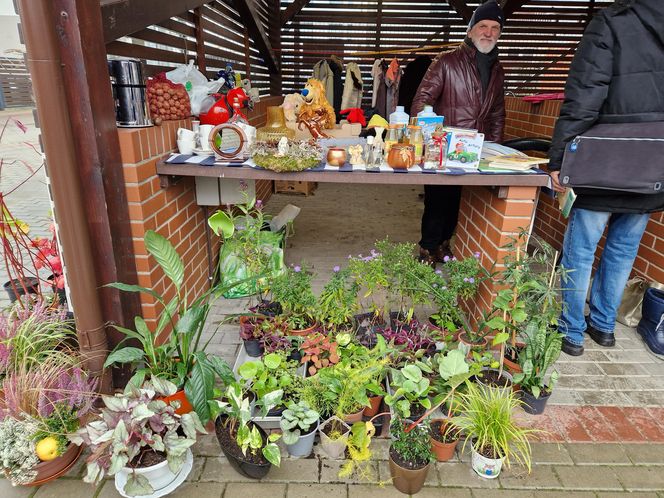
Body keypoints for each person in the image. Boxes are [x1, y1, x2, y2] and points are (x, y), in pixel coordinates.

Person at [548, 0, 664, 357]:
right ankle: (603, 326)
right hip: (654, 164)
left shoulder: (611, 22)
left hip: (604, 161)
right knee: (624, 250)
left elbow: (584, 95)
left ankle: (571, 331)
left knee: (581, 251)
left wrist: (560, 156)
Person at [411, 0, 506, 265]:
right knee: (437, 199)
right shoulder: (446, 62)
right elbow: (422, 102)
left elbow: (497, 113)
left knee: (457, 201)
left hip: (475, 150)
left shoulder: (498, 70)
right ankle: (427, 248)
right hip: (444, 145)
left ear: (499, 33)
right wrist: (432, 141)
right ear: (471, 30)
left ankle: (443, 243)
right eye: (483, 26)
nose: (488, 32)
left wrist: (494, 149)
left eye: (495, 28)